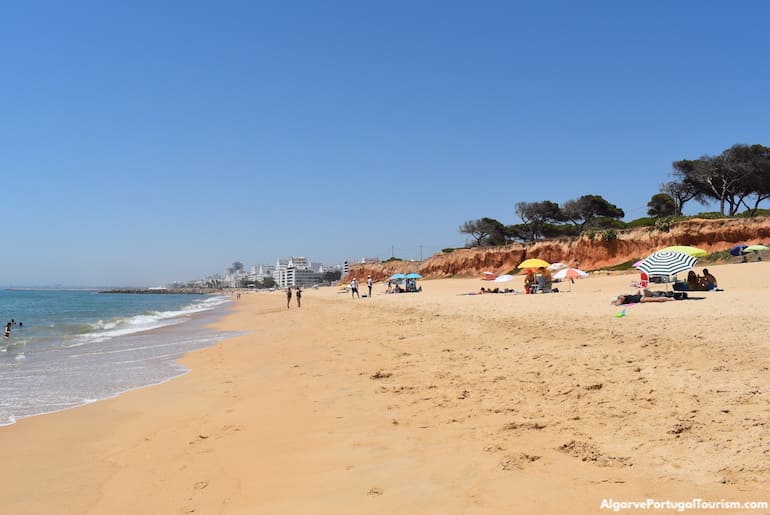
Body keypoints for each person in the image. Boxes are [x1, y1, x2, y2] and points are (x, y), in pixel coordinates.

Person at [612, 288, 680, 305]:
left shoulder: (620, 297)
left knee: (656, 299)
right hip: (637, 296)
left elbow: (620, 300)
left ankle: (669, 299)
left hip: (639, 299)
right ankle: (668, 297)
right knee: (655, 298)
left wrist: (615, 303)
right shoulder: (623, 296)